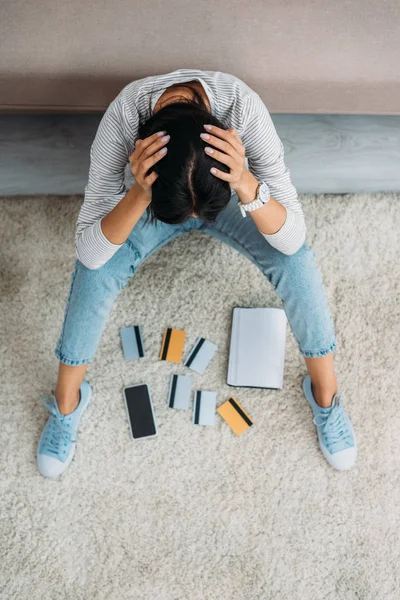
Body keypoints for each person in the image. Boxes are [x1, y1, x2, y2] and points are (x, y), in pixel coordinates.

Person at [36, 68, 357, 478]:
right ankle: (66, 404)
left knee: (295, 261)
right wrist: (139, 193)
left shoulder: (243, 109)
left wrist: (243, 180)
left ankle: (326, 398)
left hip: (222, 193)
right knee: (95, 272)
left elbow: (294, 238)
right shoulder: (122, 118)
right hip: (152, 197)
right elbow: (90, 253)